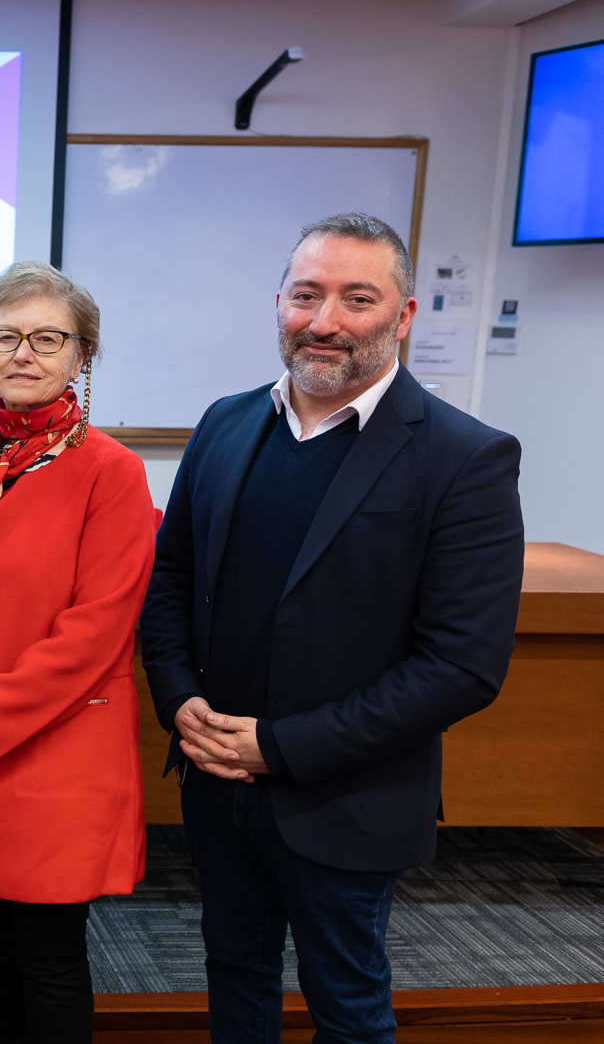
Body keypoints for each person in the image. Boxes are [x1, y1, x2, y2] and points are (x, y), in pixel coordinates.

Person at [140, 213, 524, 1044]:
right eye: (307, 295)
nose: (325, 321)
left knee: (346, 1008)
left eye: (357, 298)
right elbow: (169, 582)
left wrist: (278, 747)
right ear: (278, 303)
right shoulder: (225, 423)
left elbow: (462, 665)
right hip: (217, 785)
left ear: (404, 315)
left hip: (347, 799)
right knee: (233, 982)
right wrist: (178, 700)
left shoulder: (465, 458)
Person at [0, 261, 154, 1043]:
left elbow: (92, 636)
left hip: (53, 752)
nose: (24, 353)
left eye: (48, 338)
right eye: (5, 336)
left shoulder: (113, 473)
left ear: (83, 355)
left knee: (48, 961)